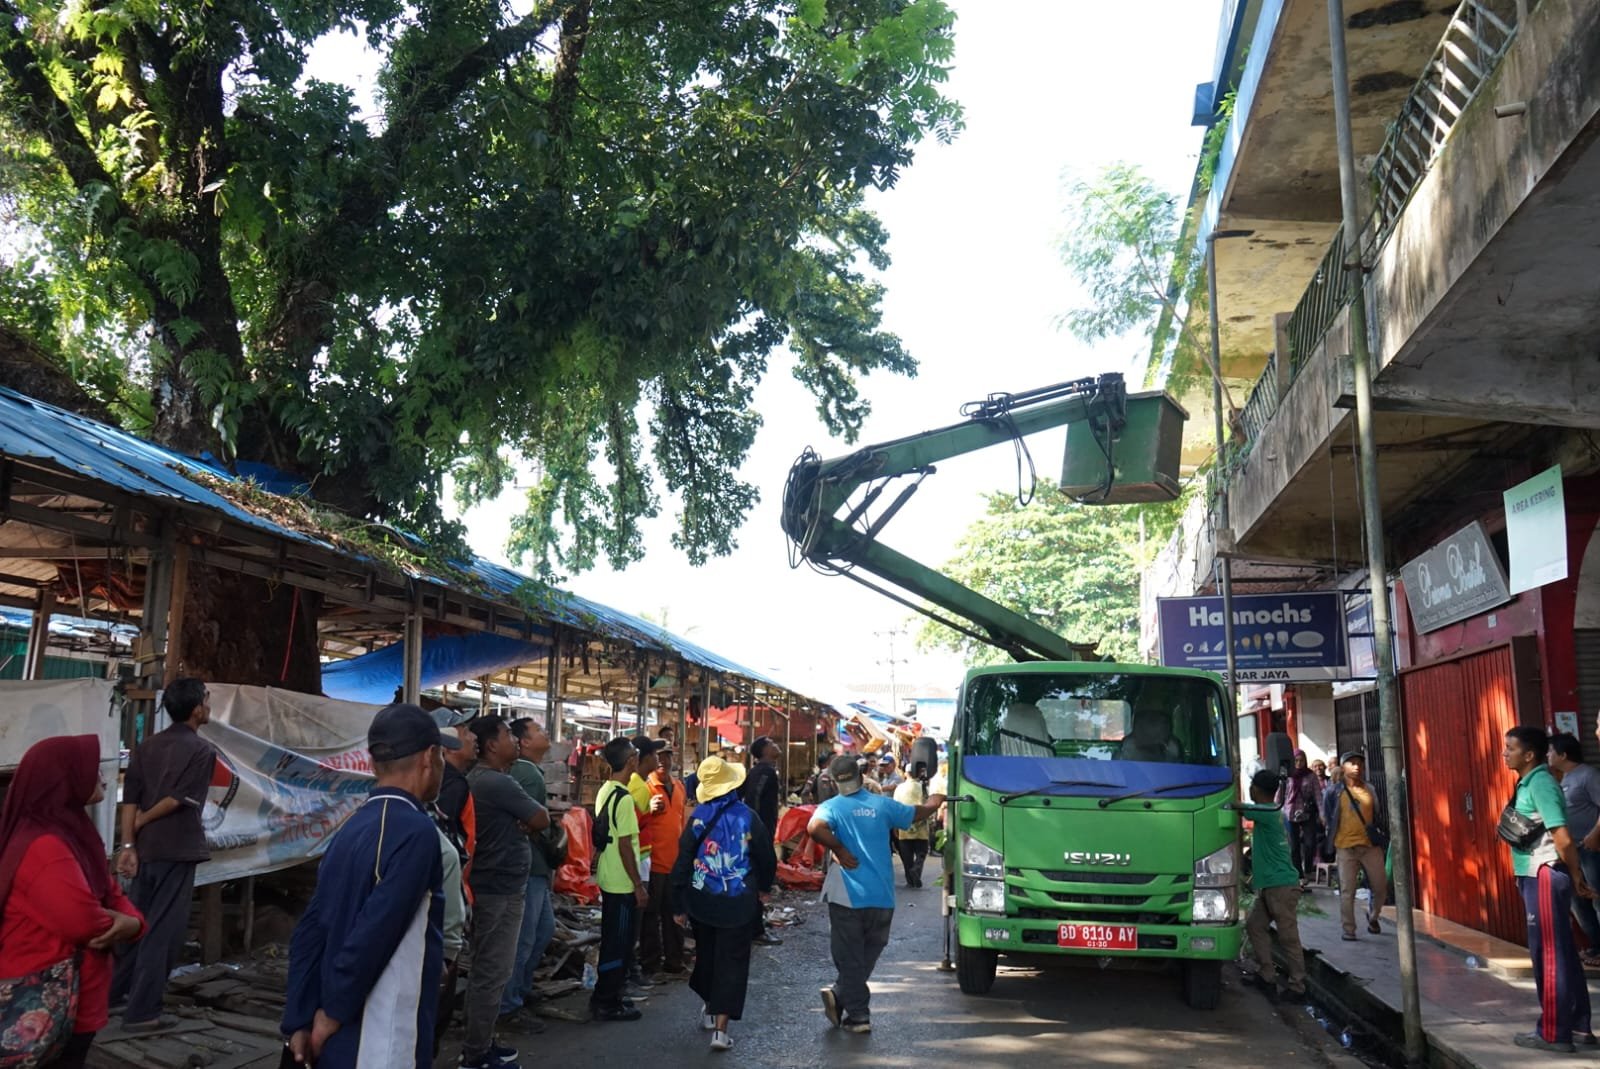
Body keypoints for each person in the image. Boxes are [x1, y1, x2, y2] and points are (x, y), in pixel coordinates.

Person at [282, 703, 458, 1067]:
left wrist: (299, 1018)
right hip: (379, 1033)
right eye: (442, 754)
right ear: (430, 757)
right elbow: (374, 933)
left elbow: (310, 930)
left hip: (333, 1031)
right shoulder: (416, 832)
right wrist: (329, 1016)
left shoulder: (352, 826)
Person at [0, 736, 145, 1068]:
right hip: (46, 1006)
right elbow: (82, 923)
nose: (103, 778)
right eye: (92, 771)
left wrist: (132, 923)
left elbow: (110, 891)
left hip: (69, 1002)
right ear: (64, 778)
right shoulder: (45, 846)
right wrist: (127, 923)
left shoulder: (73, 833)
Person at [807, 754, 945, 1034]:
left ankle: (857, 1014)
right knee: (866, 954)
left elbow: (814, 828)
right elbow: (917, 813)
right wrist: (935, 801)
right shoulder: (882, 805)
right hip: (881, 895)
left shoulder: (831, 807)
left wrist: (840, 849)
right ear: (861, 776)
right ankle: (843, 995)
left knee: (849, 956)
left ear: (834, 781)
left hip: (847, 894)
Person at [111, 677, 216, 1030]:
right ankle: (142, 1011)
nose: (209, 704)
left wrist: (129, 842)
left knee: (137, 923)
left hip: (146, 850)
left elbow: (131, 798)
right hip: (176, 848)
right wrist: (141, 823)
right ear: (197, 708)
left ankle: (113, 995)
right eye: (207, 698)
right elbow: (176, 799)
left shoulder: (148, 746)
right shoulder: (201, 751)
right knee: (163, 932)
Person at [670, 755, 777, 1053]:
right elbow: (767, 857)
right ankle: (720, 1030)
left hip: (701, 901)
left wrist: (678, 904)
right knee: (732, 963)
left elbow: (683, 860)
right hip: (739, 903)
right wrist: (764, 888)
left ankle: (708, 1007)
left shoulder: (698, 817)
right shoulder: (748, 817)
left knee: (707, 956)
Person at [462, 716, 550, 1068]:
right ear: (491, 745)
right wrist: (530, 819)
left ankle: (481, 1041)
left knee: (492, 969)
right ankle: (476, 1054)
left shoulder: (490, 781)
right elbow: (541, 818)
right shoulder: (496, 783)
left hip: (496, 885)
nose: (513, 740)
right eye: (507, 735)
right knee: (492, 971)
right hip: (498, 888)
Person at [1503, 726, 1595, 1052]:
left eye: (1510, 748)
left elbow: (1563, 836)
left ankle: (1554, 1032)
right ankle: (1581, 1027)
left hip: (1543, 871)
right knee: (1565, 952)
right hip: (1539, 873)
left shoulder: (1540, 783)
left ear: (1529, 754)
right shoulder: (1531, 781)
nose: (1505, 753)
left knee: (1549, 954)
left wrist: (1575, 874)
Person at [498, 718, 558, 1031]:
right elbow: (536, 821)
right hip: (530, 866)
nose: (545, 733)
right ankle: (509, 1005)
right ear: (523, 741)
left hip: (534, 866)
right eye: (537, 730)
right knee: (524, 938)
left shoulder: (525, 771)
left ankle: (519, 990)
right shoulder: (526, 772)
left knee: (541, 931)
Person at [592, 737, 649, 1022]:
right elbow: (626, 845)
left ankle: (609, 995)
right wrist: (638, 885)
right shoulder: (624, 798)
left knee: (612, 939)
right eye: (637, 755)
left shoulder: (607, 790)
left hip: (608, 874)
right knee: (619, 942)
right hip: (621, 880)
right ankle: (607, 1001)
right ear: (631, 761)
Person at [1241, 769, 1307, 1003]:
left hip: (1281, 886)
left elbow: (1234, 806)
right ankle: (1266, 974)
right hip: (1270, 885)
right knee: (1254, 926)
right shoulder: (1271, 812)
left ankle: (1297, 987)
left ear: (1256, 790)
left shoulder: (1268, 811)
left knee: (1288, 937)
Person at [1322, 751, 1387, 941]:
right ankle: (1348, 929)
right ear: (1343, 768)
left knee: (1380, 887)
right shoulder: (1333, 792)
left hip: (1369, 847)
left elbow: (1377, 814)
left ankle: (1373, 916)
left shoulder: (1370, 790)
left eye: (1360, 763)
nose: (1357, 767)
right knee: (1347, 891)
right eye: (1352, 763)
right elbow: (1327, 817)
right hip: (1345, 848)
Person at [1550, 733, 1600, 967]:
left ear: (1563, 754)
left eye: (1551, 751)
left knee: (1597, 898)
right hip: (1572, 851)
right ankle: (1596, 947)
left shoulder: (1588, 776)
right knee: (1578, 902)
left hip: (1590, 850)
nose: (1548, 755)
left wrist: (1594, 835)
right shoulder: (1563, 779)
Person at [640, 738, 689, 979]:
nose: (663, 760)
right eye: (658, 755)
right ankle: (650, 964)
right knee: (651, 917)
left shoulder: (679, 787)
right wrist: (648, 807)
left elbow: (681, 822)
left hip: (675, 863)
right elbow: (635, 821)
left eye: (667, 755)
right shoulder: (645, 788)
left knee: (675, 914)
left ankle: (674, 960)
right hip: (654, 863)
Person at [742, 736, 783, 947]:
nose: (776, 745)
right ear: (764, 750)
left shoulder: (761, 771)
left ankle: (755, 927)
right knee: (759, 878)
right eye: (771, 743)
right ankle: (756, 930)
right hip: (759, 834)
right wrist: (756, 831)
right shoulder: (764, 771)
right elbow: (754, 799)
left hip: (760, 832)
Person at [1276, 750, 1324, 889]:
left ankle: (1308, 868)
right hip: (1289, 813)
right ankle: (1299, 874)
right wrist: (1276, 812)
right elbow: (1279, 795)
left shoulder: (1311, 776)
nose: (1298, 763)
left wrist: (1322, 814)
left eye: (1301, 760)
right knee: (1294, 846)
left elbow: (1318, 796)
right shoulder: (1287, 776)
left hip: (1306, 812)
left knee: (1310, 843)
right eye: (1296, 760)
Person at [890, 771, 930, 887]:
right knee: (921, 853)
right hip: (921, 827)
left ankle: (910, 880)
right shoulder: (923, 787)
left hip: (904, 826)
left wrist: (895, 825)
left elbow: (895, 807)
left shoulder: (899, 788)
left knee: (907, 857)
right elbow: (928, 805)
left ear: (906, 774)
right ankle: (916, 869)